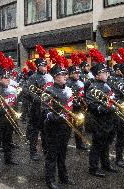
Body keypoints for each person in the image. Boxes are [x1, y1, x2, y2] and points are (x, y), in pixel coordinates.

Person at [43, 61, 76, 189]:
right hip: (53, 128)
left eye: (66, 74)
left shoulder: (69, 89)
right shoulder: (48, 90)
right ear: (56, 76)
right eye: (63, 74)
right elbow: (45, 111)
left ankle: (63, 177)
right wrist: (57, 116)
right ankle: (50, 180)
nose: (65, 76)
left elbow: (71, 106)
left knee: (62, 153)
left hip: (66, 126)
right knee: (52, 154)